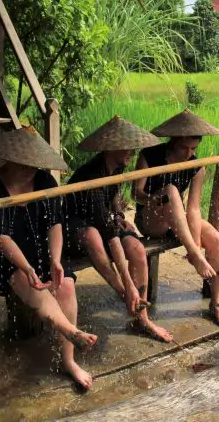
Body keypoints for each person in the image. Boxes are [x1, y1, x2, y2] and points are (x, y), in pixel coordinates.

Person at [0, 127, 98, 390]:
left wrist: (55, 260)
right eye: (25, 166)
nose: (31, 171)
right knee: (24, 279)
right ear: (10, 160)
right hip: (0, 261)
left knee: (65, 284)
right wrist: (27, 267)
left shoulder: (44, 181)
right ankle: (70, 331)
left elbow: (55, 223)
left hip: (41, 254)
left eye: (34, 166)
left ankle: (69, 360)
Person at [64, 116, 173, 342]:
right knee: (95, 236)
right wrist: (127, 284)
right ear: (110, 148)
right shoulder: (91, 175)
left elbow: (113, 202)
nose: (131, 153)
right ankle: (125, 293)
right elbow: (108, 234)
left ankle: (142, 317)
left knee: (137, 248)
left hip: (102, 221)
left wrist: (121, 216)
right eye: (127, 149)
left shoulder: (116, 170)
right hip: (77, 227)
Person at [132, 109, 219, 327]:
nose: (188, 153)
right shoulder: (149, 156)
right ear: (172, 142)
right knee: (171, 191)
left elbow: (193, 209)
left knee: (215, 239)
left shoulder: (196, 166)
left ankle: (217, 303)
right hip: (150, 219)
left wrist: (195, 242)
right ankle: (195, 254)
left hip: (178, 218)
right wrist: (155, 198)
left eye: (193, 148)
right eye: (183, 147)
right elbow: (135, 194)